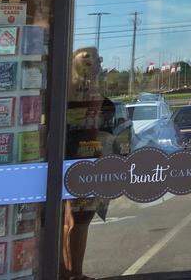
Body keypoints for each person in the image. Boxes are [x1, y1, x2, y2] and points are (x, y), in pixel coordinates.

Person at [63, 46, 116, 280]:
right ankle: (70, 272)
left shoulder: (91, 89)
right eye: (88, 59)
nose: (94, 64)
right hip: (73, 157)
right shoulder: (71, 89)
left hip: (89, 155)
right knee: (75, 219)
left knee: (80, 218)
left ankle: (73, 271)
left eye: (96, 59)